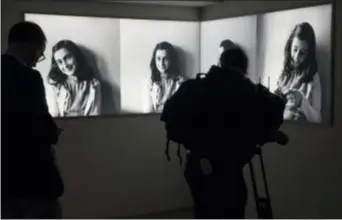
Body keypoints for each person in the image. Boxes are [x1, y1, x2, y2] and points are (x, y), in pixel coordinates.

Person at [161, 45, 286, 218]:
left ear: (221, 63)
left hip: (197, 166)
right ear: (243, 68)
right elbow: (271, 113)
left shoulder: (197, 86)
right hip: (227, 171)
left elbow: (169, 115)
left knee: (203, 211)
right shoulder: (245, 91)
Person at [1, 21, 64, 218]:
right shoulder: (29, 77)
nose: (38, 59)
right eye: (40, 52)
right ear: (30, 45)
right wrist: (53, 132)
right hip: (32, 176)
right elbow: (38, 121)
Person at [275, 22, 322, 123]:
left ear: (309, 53)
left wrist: (301, 100)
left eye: (302, 52)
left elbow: (317, 119)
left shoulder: (313, 77)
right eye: (295, 50)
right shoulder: (283, 74)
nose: (296, 57)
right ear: (289, 47)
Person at [47, 40, 102, 117]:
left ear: (76, 56)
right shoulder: (54, 86)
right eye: (60, 62)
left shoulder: (94, 85)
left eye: (67, 58)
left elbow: (95, 118)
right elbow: (55, 119)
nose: (65, 65)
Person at [149, 41, 185, 113]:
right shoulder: (149, 82)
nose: (161, 63)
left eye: (165, 59)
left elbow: (181, 109)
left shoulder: (180, 82)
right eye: (158, 59)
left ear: (172, 60)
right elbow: (148, 111)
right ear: (154, 60)